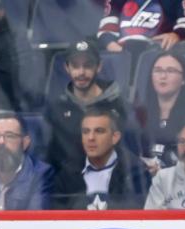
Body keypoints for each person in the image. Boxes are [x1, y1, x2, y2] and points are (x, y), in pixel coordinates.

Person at [44, 39, 131, 174]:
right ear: (67, 68)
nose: (81, 72)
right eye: (75, 66)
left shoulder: (119, 105)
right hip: (69, 187)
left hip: (113, 185)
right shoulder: (57, 109)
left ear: (99, 66)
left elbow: (129, 152)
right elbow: (50, 158)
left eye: (88, 65)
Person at [135, 51, 185, 175]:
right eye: (157, 70)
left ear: (184, 79)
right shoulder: (137, 113)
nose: (163, 76)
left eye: (171, 71)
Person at [54, 107, 151, 210]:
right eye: (86, 132)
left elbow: (139, 212)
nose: (91, 138)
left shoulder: (135, 172)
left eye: (99, 131)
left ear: (115, 137)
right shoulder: (66, 174)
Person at [98, 0, 185, 51]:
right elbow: (107, 24)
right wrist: (110, 43)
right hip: (122, 53)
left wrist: (176, 35)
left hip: (159, 52)